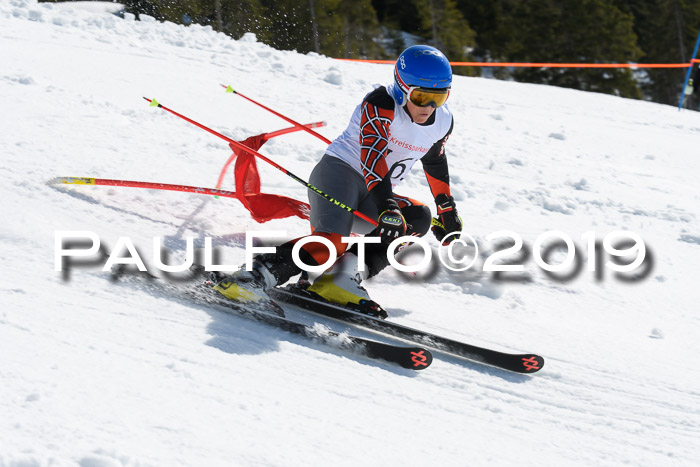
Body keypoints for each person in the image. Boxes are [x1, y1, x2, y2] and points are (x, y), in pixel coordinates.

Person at [215, 45, 463, 317]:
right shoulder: (381, 104)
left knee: (417, 218)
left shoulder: (443, 121)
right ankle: (250, 277)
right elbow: (372, 158)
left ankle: (341, 279)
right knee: (331, 243)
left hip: (375, 190)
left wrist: (447, 209)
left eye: (438, 98)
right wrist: (388, 207)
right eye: (421, 96)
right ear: (403, 88)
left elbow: (434, 160)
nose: (429, 107)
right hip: (339, 174)